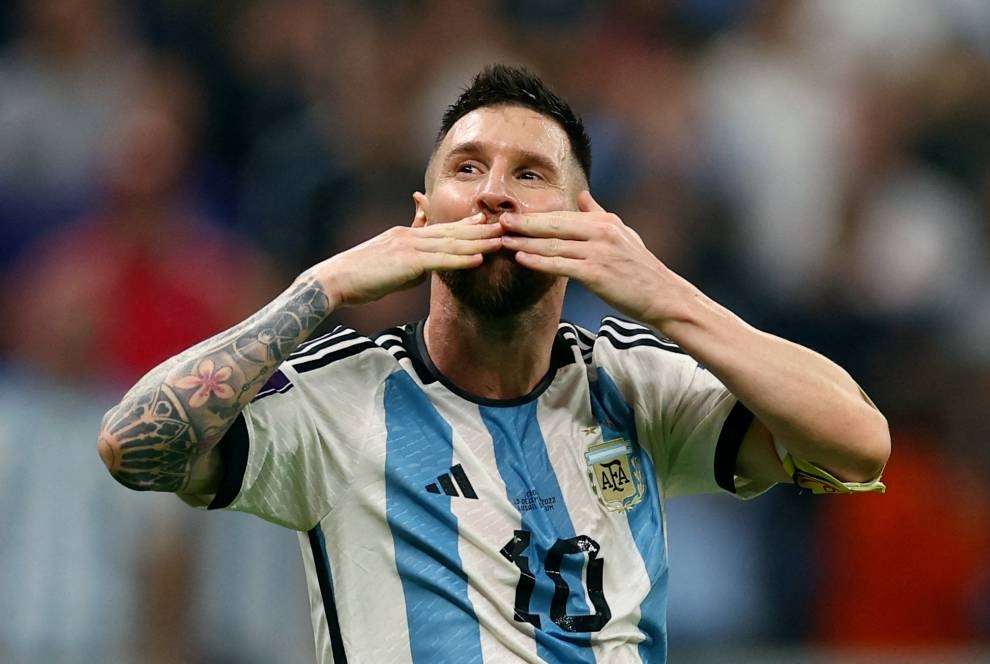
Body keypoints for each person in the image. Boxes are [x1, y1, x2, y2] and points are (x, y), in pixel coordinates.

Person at [98, 64, 890, 664]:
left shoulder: (633, 382)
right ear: (422, 217)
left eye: (529, 174)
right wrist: (323, 285)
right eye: (467, 169)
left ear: (587, 223)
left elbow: (856, 443)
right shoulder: (339, 397)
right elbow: (131, 446)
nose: (494, 197)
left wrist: (663, 293)